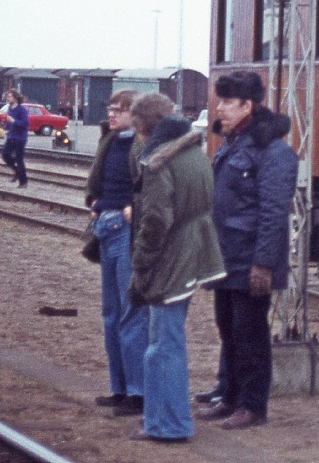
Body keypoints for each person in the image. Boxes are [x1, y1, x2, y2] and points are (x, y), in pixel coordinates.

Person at [197, 71, 296, 431]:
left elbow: (273, 212)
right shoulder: (232, 143)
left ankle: (252, 405)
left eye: (227, 102)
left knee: (249, 333)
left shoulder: (273, 152)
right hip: (226, 256)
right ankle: (231, 397)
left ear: (247, 106)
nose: (219, 108)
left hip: (250, 259)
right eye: (219, 100)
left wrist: (264, 265)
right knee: (228, 329)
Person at [126, 92, 226, 443]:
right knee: (169, 341)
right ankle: (164, 420)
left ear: (143, 128)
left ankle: (168, 424)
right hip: (196, 250)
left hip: (171, 259)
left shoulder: (158, 162)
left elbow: (154, 221)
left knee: (163, 346)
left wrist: (141, 264)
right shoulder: (194, 152)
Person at [84, 89, 149, 417]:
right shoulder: (108, 142)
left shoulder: (141, 146)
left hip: (126, 233)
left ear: (134, 116)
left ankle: (138, 393)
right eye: (111, 109)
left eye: (120, 111)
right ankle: (119, 387)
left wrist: (131, 210)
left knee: (131, 312)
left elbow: (149, 187)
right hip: (105, 228)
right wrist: (93, 202)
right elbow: (96, 181)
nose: (112, 115)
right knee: (110, 313)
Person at [1, 90, 30, 187]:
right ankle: (16, 171)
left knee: (19, 159)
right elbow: (10, 123)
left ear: (15, 98)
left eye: (9, 97)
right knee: (5, 155)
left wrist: (13, 121)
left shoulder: (22, 110)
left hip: (20, 138)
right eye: (7, 97)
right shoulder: (10, 108)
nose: (8, 99)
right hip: (11, 136)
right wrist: (6, 125)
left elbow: (25, 124)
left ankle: (23, 182)